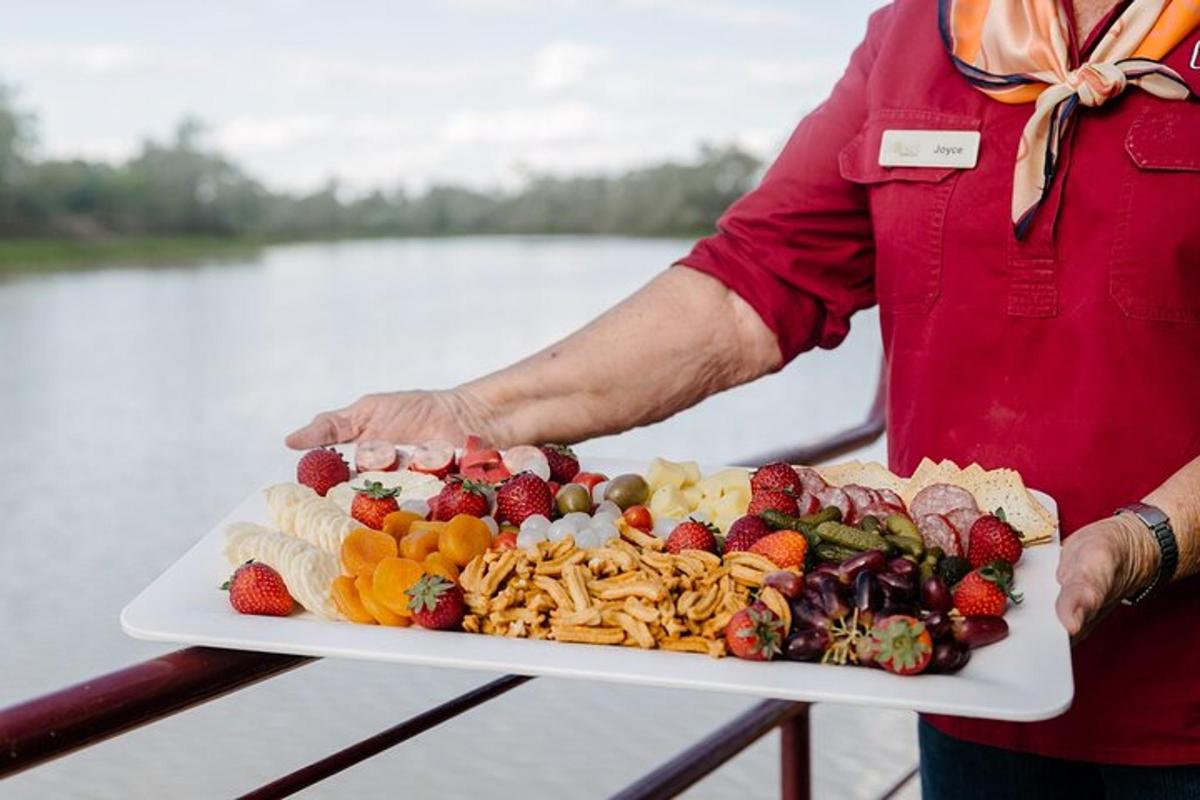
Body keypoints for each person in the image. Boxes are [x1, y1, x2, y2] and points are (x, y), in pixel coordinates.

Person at [288, 0, 1200, 795]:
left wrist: (1148, 539)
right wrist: (479, 414)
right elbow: (747, 289)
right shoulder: (915, 36)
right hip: (971, 676)